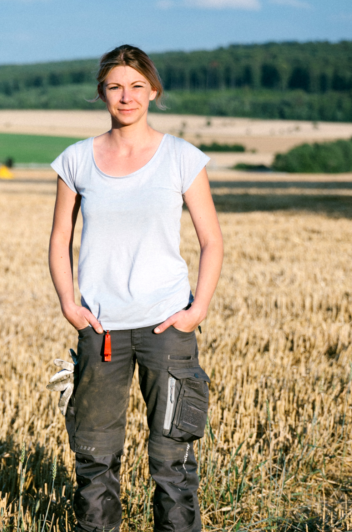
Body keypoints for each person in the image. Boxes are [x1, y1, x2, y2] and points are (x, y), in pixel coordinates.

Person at [48, 44, 223, 532]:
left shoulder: (181, 157)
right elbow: (60, 238)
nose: (126, 97)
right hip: (100, 328)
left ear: (153, 91)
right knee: (94, 456)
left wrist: (197, 309)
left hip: (166, 325)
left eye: (136, 86)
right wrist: (69, 303)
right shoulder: (77, 160)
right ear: (101, 93)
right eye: (115, 87)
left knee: (173, 459)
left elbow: (212, 240)